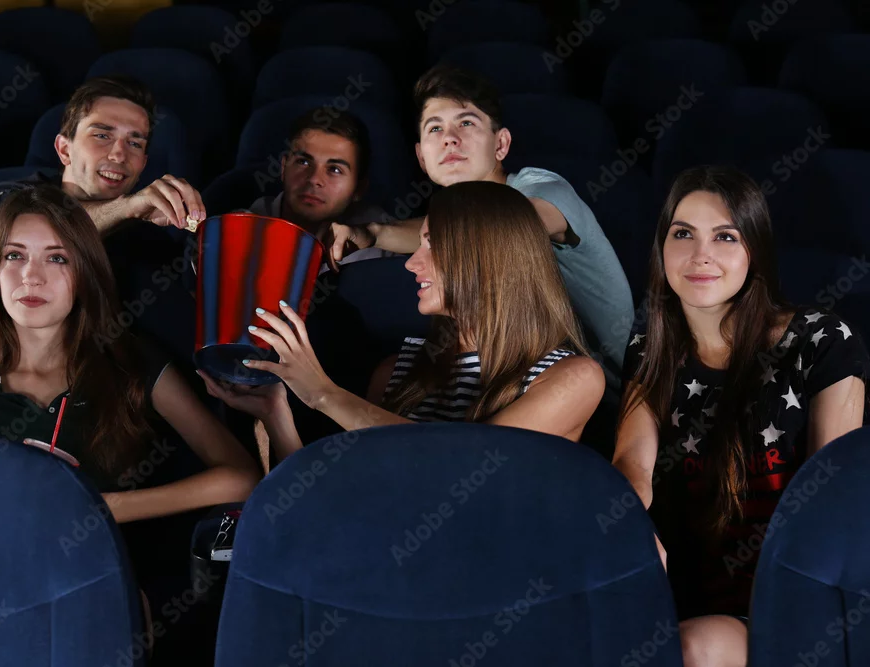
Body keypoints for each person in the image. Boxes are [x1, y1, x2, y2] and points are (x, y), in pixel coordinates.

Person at [0, 186, 260, 521]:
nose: (31, 276)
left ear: (85, 274)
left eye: (56, 258)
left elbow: (241, 478)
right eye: (14, 256)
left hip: (91, 571)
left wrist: (100, 508)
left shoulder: (132, 364)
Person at [612, 166, 867, 667]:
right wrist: (627, 527)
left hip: (789, 597)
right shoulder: (649, 345)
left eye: (725, 237)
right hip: (681, 591)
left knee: (691, 650)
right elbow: (632, 463)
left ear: (755, 250)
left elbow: (831, 506)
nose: (700, 254)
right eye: (683, 234)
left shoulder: (822, 341)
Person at [200, 181, 605, 462]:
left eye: (432, 244)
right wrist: (276, 414)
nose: (412, 263)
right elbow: (341, 502)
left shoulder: (573, 377)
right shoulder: (398, 371)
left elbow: (465, 466)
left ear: (489, 257)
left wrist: (323, 394)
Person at [322, 65, 634, 400]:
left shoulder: (542, 189)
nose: (449, 138)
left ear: (501, 144)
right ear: (422, 158)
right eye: (435, 128)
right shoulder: (451, 221)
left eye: (466, 123)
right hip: (509, 378)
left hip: (602, 396)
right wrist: (372, 234)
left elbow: (503, 227)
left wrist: (379, 233)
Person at [0, 75, 205, 289]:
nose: (119, 155)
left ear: (143, 164)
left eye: (134, 143)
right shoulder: (7, 196)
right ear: (64, 150)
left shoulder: (145, 239)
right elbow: (13, 234)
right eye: (102, 135)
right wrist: (125, 208)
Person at [248, 108, 391, 267]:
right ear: (283, 168)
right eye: (303, 162)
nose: (314, 179)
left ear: (359, 188)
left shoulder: (380, 241)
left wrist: (377, 235)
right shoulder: (245, 229)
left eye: (335, 170)